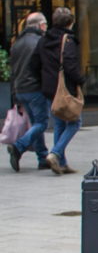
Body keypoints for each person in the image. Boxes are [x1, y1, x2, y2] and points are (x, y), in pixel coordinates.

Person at [25, 7, 84, 174]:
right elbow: (70, 66)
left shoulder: (43, 40)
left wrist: (46, 78)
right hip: (65, 88)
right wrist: (81, 81)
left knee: (59, 123)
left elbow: (34, 65)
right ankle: (56, 153)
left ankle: (62, 163)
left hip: (49, 88)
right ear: (71, 23)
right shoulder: (68, 40)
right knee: (75, 122)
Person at [7, 12, 49, 172]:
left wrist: (15, 97)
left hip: (21, 89)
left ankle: (43, 158)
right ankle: (18, 147)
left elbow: (13, 72)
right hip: (35, 88)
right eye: (45, 24)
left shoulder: (17, 43)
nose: (46, 27)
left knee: (35, 123)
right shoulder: (40, 42)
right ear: (40, 25)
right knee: (42, 122)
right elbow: (43, 68)